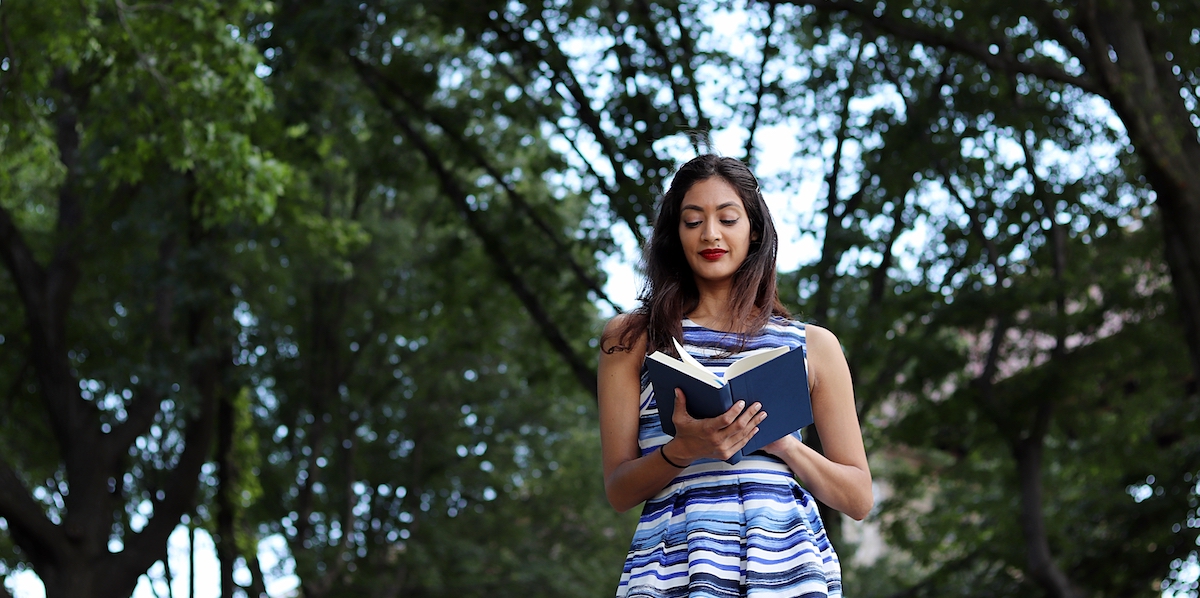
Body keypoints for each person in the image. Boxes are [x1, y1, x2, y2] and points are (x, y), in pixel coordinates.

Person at [598, 154, 873, 597]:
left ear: (755, 230)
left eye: (728, 218)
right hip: (676, 565)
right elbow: (618, 490)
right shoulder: (630, 338)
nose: (711, 234)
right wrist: (684, 449)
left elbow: (858, 498)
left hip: (789, 564)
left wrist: (782, 443)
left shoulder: (814, 345)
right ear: (675, 235)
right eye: (693, 221)